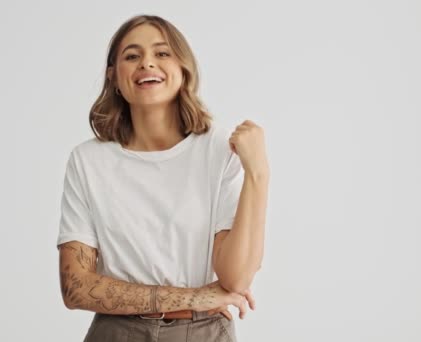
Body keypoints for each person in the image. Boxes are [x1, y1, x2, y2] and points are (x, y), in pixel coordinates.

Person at [56, 14, 270, 342]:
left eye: (162, 53)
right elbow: (75, 288)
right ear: (113, 76)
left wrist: (258, 172)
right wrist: (193, 297)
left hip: (202, 332)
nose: (147, 63)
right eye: (132, 56)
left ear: (183, 69)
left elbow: (236, 278)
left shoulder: (219, 149)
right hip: (116, 332)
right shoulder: (88, 160)